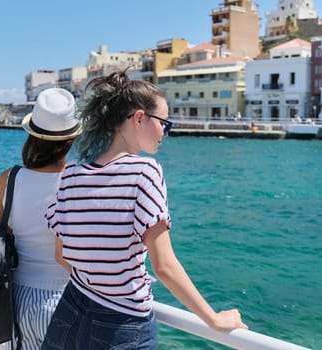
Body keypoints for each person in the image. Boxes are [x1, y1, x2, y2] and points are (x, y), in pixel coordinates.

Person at [41, 71, 247, 350]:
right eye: (164, 122)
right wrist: (213, 320)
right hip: (119, 325)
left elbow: (62, 254)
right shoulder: (144, 173)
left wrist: (99, 277)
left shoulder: (71, 174)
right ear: (139, 118)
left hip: (68, 313)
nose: (165, 132)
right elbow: (163, 266)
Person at [0, 88, 81, 349]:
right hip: (65, 299)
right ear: (71, 139)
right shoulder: (78, 180)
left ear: (32, 135)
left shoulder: (9, 178)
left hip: (15, 300)